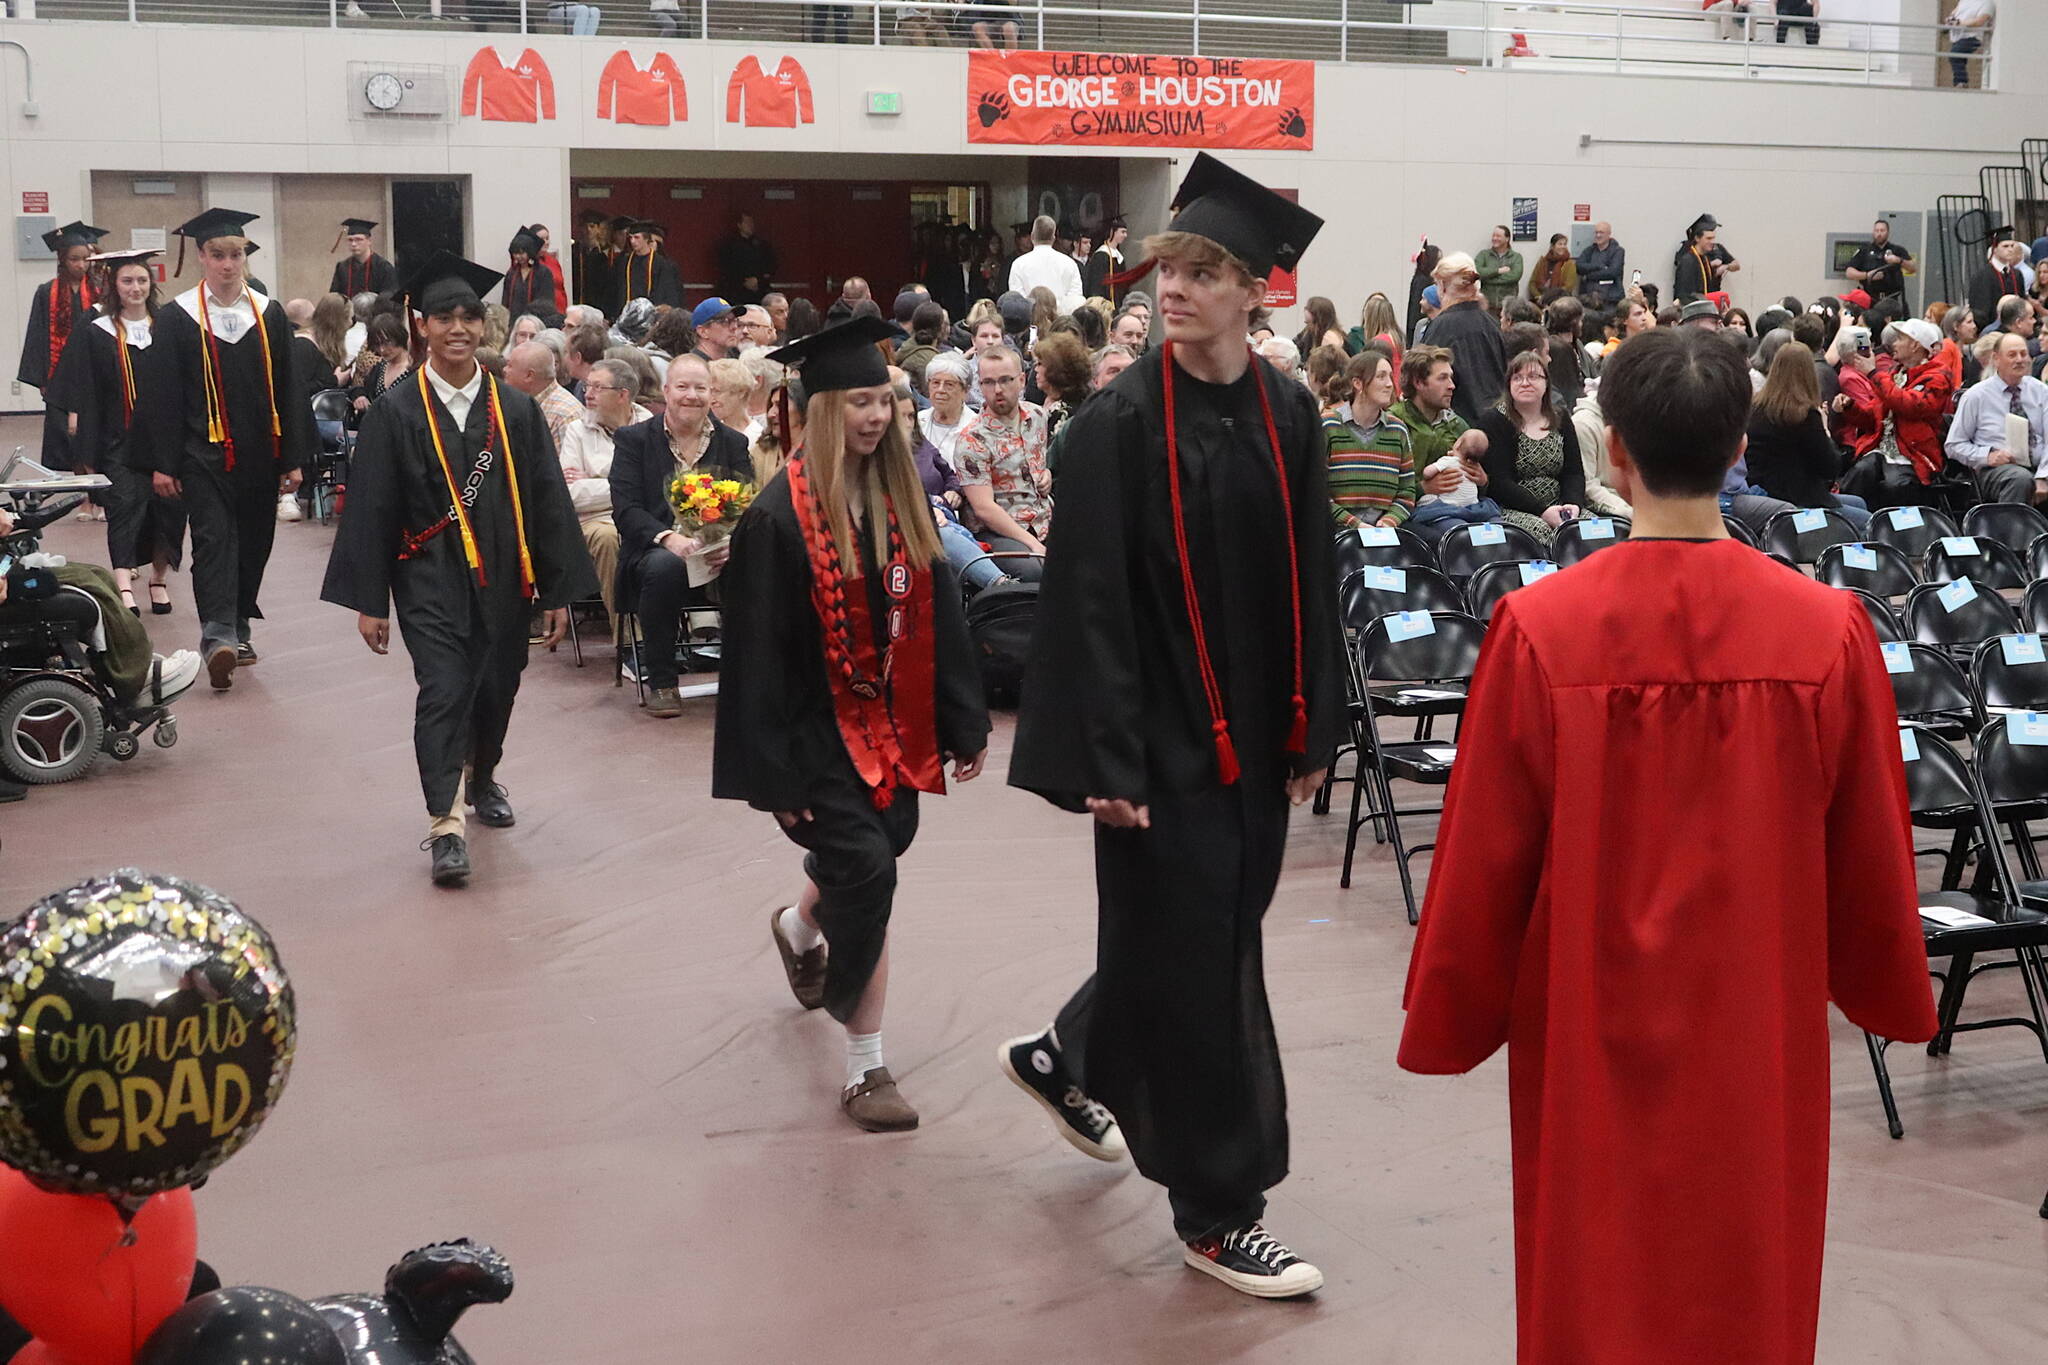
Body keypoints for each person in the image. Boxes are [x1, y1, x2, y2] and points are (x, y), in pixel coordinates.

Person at [1398, 323, 1937, 1365]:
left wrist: (1449, 1014)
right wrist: (1887, 987)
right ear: (1738, 448)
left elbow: (1484, 857)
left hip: (1584, 1023)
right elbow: (1868, 850)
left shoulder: (1540, 629)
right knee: (1744, 1276)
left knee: (1593, 1275)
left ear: (1612, 454)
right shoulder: (1824, 632)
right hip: (1755, 1026)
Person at [1002, 154, 1343, 1301]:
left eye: (1205, 271)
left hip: (1254, 736)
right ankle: (1217, 1208)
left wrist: (1312, 731)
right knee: (1208, 968)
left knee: (1196, 941)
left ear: (1257, 290)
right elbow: (1085, 601)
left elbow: (1311, 572)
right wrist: (1105, 758)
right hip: (1154, 745)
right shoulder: (1114, 423)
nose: (1174, 289)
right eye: (1169, 269)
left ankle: (1068, 1056)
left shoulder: (1285, 412)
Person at [713, 315, 990, 1132]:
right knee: (869, 872)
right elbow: (756, 658)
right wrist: (776, 777)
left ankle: (800, 927)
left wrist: (962, 721)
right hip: (813, 733)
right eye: (860, 401)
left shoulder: (901, 499)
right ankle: (867, 1067)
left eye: (885, 401)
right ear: (826, 409)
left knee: (882, 845)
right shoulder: (777, 519)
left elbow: (942, 610)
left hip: (894, 723)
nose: (876, 416)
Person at [320, 252, 597, 887]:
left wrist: (558, 589)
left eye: (469, 317)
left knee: (498, 685)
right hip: (426, 572)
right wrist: (370, 599)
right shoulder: (396, 410)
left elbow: (547, 502)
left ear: (484, 327)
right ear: (420, 325)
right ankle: (445, 823)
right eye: (443, 317)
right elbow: (372, 508)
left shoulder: (515, 411)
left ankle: (484, 773)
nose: (458, 329)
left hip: (504, 572)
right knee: (443, 688)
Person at [149, 208, 315, 689]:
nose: (227, 264)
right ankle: (217, 633)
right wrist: (163, 463)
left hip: (261, 455)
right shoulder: (180, 318)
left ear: (245, 256)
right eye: (218, 254)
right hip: (202, 456)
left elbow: (290, 387)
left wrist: (294, 458)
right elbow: (162, 395)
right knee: (213, 540)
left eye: (235, 254)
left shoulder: (268, 314)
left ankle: (239, 626)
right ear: (201, 257)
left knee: (255, 544)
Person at [609, 351, 754, 717]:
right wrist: (668, 538)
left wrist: (733, 543)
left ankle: (747, 677)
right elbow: (626, 509)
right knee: (665, 567)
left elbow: (748, 505)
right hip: (655, 548)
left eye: (701, 388)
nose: (692, 395)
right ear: (666, 390)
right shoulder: (633, 440)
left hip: (718, 552)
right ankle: (662, 682)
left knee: (756, 564)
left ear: (712, 393)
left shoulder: (734, 443)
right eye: (683, 387)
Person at [48, 249, 187, 615]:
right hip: (119, 440)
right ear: (115, 285)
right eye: (127, 281)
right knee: (125, 507)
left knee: (168, 511)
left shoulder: (168, 326)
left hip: (166, 441)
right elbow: (86, 385)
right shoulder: (99, 331)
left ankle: (158, 580)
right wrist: (80, 430)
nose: (135, 287)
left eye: (142, 280)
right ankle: (124, 585)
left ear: (150, 284)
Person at [556, 357, 650, 626]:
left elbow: (656, 487)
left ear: (623, 395)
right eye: (587, 386)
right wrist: (627, 484)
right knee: (608, 538)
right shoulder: (577, 430)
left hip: (642, 518)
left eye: (598, 388)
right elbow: (570, 495)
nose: (588, 394)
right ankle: (629, 641)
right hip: (594, 522)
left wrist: (595, 479)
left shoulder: (650, 426)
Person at [1746, 342, 1871, 528]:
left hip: (1766, 495)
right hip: (1802, 502)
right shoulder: (1804, 415)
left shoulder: (1755, 407)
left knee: (1857, 502)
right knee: (1868, 521)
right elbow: (1830, 468)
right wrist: (1826, 430)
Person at [20, 221, 108, 478]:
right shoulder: (46, 292)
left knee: (96, 432)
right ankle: (83, 493)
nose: (81, 265)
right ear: (62, 260)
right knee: (68, 437)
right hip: (59, 377)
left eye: (86, 259)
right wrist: (42, 377)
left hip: (94, 372)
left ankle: (98, 493)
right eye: (74, 259)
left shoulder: (101, 292)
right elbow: (37, 335)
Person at [956, 345, 1050, 578]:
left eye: (1005, 380)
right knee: (1039, 571)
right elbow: (985, 509)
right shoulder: (972, 439)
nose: (998, 389)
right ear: (980, 386)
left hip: (1042, 517)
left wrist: (1045, 474)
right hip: (999, 531)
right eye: (988, 382)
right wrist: (1034, 545)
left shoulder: (1038, 416)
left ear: (1021, 380)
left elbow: (1037, 465)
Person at [1475, 349, 1585, 546]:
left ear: (1546, 384)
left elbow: (1574, 472)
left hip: (1560, 504)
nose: (1525, 383)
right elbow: (1499, 482)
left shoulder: (1561, 418)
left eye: (1533, 376)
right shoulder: (1494, 421)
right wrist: (1542, 511)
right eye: (1517, 378)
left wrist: (1573, 505)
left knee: (1594, 531)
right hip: (1513, 507)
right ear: (1508, 384)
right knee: (1546, 533)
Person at [1391, 344, 1500, 541]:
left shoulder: (1458, 425)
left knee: (1499, 535)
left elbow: (1481, 482)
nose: (1452, 385)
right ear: (1418, 382)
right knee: (1458, 538)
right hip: (1413, 513)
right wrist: (1423, 488)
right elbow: (1384, 488)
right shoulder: (1394, 424)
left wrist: (1482, 480)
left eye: (1450, 377)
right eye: (1442, 378)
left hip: (1465, 507)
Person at [1844, 317, 1955, 507]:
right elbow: (1872, 418)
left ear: (1914, 345)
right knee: (1858, 474)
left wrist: (1873, 373)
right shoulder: (1894, 375)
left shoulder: (1937, 377)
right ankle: (1854, 525)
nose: (1894, 344)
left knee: (1897, 485)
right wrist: (1850, 408)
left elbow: (1910, 405)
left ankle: (1900, 533)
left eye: (1900, 339)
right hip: (1880, 449)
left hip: (1913, 452)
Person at [1945, 331, 2048, 504]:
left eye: (2023, 354)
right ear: (1996, 358)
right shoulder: (1976, 396)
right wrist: (1987, 456)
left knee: (2027, 478)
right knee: (2020, 479)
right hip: (1996, 468)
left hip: (2039, 465)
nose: (2020, 360)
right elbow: (1953, 445)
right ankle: (2010, 530)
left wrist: (2044, 476)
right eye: (2012, 355)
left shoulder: (2041, 392)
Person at [1324, 349, 1415, 529]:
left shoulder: (1397, 430)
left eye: (1390, 376)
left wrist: (1389, 521)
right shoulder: (1328, 426)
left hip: (1384, 531)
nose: (1390, 384)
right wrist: (1354, 523)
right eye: (1381, 376)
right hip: (1336, 530)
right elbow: (1315, 491)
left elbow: (1407, 492)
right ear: (1357, 383)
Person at [1426, 252, 1507, 424]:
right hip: (1498, 423)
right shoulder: (1491, 323)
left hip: (1458, 426)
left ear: (1443, 286)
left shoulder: (1441, 327)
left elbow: (1426, 378)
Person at [502, 340, 582, 451]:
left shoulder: (565, 416)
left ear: (529, 376)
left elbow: (563, 467)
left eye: (510, 365)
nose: (504, 370)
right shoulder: (517, 402)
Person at [1007, 215, 1085, 314]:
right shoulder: (1069, 264)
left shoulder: (1018, 264)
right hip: (1060, 324)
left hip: (1030, 322)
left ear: (1032, 236)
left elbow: (1017, 300)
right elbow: (1076, 299)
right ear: (1053, 238)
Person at [918, 350, 973, 468]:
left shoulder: (976, 428)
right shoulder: (917, 422)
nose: (940, 390)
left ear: (965, 391)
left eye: (949, 384)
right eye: (935, 383)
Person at [1846, 219, 1915, 306]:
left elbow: (1913, 268)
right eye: (1876, 230)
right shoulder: (1864, 250)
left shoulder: (1897, 250)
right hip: (1869, 298)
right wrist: (1867, 275)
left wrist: (1898, 260)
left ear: (1888, 232)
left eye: (1882, 230)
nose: (1879, 233)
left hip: (1892, 299)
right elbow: (1849, 272)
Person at [1673, 214, 1739, 302]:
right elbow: (1683, 295)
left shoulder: (1705, 259)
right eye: (1708, 238)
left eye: (1713, 238)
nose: (1712, 242)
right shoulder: (1688, 261)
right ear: (1697, 238)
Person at [715, 212, 776, 305]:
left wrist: (758, 280)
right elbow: (725, 269)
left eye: (752, 223)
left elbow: (771, 267)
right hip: (735, 293)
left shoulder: (762, 246)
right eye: (747, 223)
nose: (751, 225)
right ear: (739, 225)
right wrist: (742, 282)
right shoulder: (728, 245)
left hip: (758, 293)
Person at [619, 220, 682, 309]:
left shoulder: (661, 264)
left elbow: (666, 293)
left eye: (637, 237)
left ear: (646, 239)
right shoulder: (624, 262)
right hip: (628, 313)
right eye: (630, 237)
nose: (632, 241)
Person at [1969, 236, 2029, 328]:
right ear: (1995, 249)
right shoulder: (1983, 275)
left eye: (2012, 246)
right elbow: (1980, 309)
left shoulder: (2016, 274)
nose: (2010, 250)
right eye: (2005, 246)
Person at [328, 218, 396, 298]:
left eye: (358, 239)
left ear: (369, 241)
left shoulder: (383, 267)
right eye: (350, 240)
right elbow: (335, 297)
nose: (353, 244)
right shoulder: (342, 267)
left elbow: (389, 297)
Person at [575, 210, 622, 319]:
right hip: (580, 301)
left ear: (598, 229)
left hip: (601, 305)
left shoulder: (609, 254)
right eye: (585, 227)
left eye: (592, 226)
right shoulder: (575, 252)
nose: (588, 230)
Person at [1945, 0, 1994, 89]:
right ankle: (1960, 83)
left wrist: (1959, 23)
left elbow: (1979, 21)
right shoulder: (1964, 1)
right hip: (1957, 37)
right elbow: (1953, 13)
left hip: (1972, 37)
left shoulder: (1987, 3)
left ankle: (1961, 83)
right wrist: (1950, 20)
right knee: (1958, 59)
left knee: (1954, 54)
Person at [1575, 222, 1625, 309]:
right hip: (1588, 298)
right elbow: (1579, 267)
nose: (1598, 235)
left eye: (1601, 232)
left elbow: (1613, 272)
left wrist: (1588, 276)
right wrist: (1598, 266)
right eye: (1596, 232)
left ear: (1609, 234)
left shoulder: (1618, 251)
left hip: (1610, 299)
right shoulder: (1589, 250)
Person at [1476, 225, 1526, 311]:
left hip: (1508, 307)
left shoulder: (1516, 257)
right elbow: (1477, 272)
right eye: (1493, 235)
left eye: (1498, 236)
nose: (1494, 238)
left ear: (1507, 239)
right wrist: (1498, 271)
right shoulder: (1483, 255)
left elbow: (1515, 276)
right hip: (1487, 306)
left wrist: (1487, 278)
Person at [1084, 217, 1128, 305]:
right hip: (1105, 304)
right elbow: (1097, 285)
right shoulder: (1101, 255)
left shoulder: (1118, 256)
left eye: (1126, 232)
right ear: (1112, 232)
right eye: (1122, 232)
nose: (1125, 235)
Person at [1527, 233, 1577, 302]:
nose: (1563, 246)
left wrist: (1551, 298)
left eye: (1564, 244)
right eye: (1560, 244)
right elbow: (1532, 283)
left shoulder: (1569, 264)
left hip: (1561, 301)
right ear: (1552, 246)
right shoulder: (1542, 261)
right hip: (1540, 299)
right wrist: (1538, 296)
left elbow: (1569, 286)